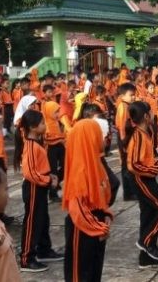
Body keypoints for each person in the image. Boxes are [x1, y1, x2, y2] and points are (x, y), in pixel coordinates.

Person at [62, 119, 114, 282]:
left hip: (95, 222)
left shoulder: (95, 163)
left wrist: (106, 213)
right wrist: (99, 228)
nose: (102, 139)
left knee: (93, 270)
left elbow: (102, 193)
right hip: (83, 227)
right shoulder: (81, 169)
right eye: (98, 135)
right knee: (81, 273)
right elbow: (77, 209)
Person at [126, 101, 158, 269]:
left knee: (148, 213)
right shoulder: (138, 135)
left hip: (147, 176)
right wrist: (155, 167)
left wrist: (155, 161)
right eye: (151, 112)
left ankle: (146, 257)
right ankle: (146, 241)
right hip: (141, 179)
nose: (153, 114)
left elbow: (144, 158)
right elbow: (133, 164)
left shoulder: (145, 132)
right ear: (146, 116)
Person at [13, 110, 62, 272]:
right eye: (42, 123)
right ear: (33, 128)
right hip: (34, 187)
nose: (45, 125)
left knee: (42, 219)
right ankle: (26, 257)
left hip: (40, 186)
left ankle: (43, 249)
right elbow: (30, 173)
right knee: (33, 221)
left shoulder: (37, 142)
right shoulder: (31, 145)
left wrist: (50, 177)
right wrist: (48, 180)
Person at [115, 83, 138, 201]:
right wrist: (124, 144)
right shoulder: (123, 107)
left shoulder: (127, 105)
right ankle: (129, 193)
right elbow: (122, 127)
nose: (133, 97)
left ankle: (130, 192)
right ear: (122, 96)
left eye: (134, 95)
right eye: (131, 95)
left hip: (127, 137)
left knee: (128, 165)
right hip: (125, 138)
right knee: (126, 166)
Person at [41, 101, 65, 203]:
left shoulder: (57, 122)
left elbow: (62, 135)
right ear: (49, 112)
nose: (58, 114)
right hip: (50, 149)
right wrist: (60, 138)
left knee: (66, 166)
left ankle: (56, 183)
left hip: (59, 147)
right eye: (55, 112)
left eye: (58, 111)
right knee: (53, 171)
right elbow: (47, 139)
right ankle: (52, 193)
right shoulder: (45, 124)